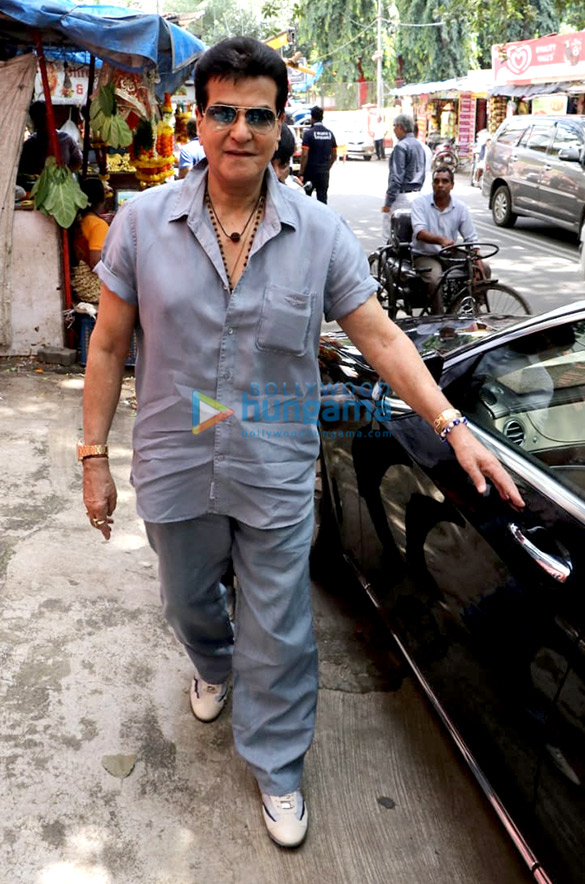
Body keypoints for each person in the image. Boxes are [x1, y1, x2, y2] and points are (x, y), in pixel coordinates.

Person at [81, 36, 523, 851]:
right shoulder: (143, 223)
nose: (240, 130)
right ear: (199, 119)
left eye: (258, 115)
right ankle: (212, 663)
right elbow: (107, 346)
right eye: (223, 112)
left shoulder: (319, 232)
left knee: (280, 625)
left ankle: (278, 764)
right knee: (188, 600)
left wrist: (450, 423)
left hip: (275, 460)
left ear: (283, 127)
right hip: (178, 451)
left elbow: (383, 338)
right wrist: (92, 458)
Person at [411, 165, 489, 313]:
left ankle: (472, 307)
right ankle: (440, 319)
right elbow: (420, 233)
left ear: (452, 185)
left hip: (449, 253)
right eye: (437, 181)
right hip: (425, 254)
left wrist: (477, 262)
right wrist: (441, 240)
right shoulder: (420, 203)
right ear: (433, 184)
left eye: (445, 181)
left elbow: (471, 239)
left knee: (483, 268)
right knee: (435, 279)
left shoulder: (460, 207)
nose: (440, 185)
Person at [18, 100, 82, 178]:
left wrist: (64, 172)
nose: (42, 121)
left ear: (51, 117)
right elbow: (22, 167)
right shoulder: (30, 144)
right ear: (33, 120)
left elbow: (78, 161)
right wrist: (41, 172)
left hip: (64, 184)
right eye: (38, 118)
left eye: (44, 117)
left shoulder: (66, 139)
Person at [382, 113, 426, 215]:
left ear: (400, 127)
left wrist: (388, 202)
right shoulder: (418, 145)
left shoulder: (401, 147)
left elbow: (397, 176)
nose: (393, 130)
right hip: (417, 195)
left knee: (393, 228)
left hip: (403, 197)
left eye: (394, 126)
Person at [299, 105, 337, 203]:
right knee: (322, 200)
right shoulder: (330, 134)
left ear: (312, 118)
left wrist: (301, 172)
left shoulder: (308, 134)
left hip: (310, 172)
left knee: (306, 200)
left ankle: (308, 218)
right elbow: (334, 155)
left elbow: (304, 155)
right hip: (324, 173)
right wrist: (327, 167)